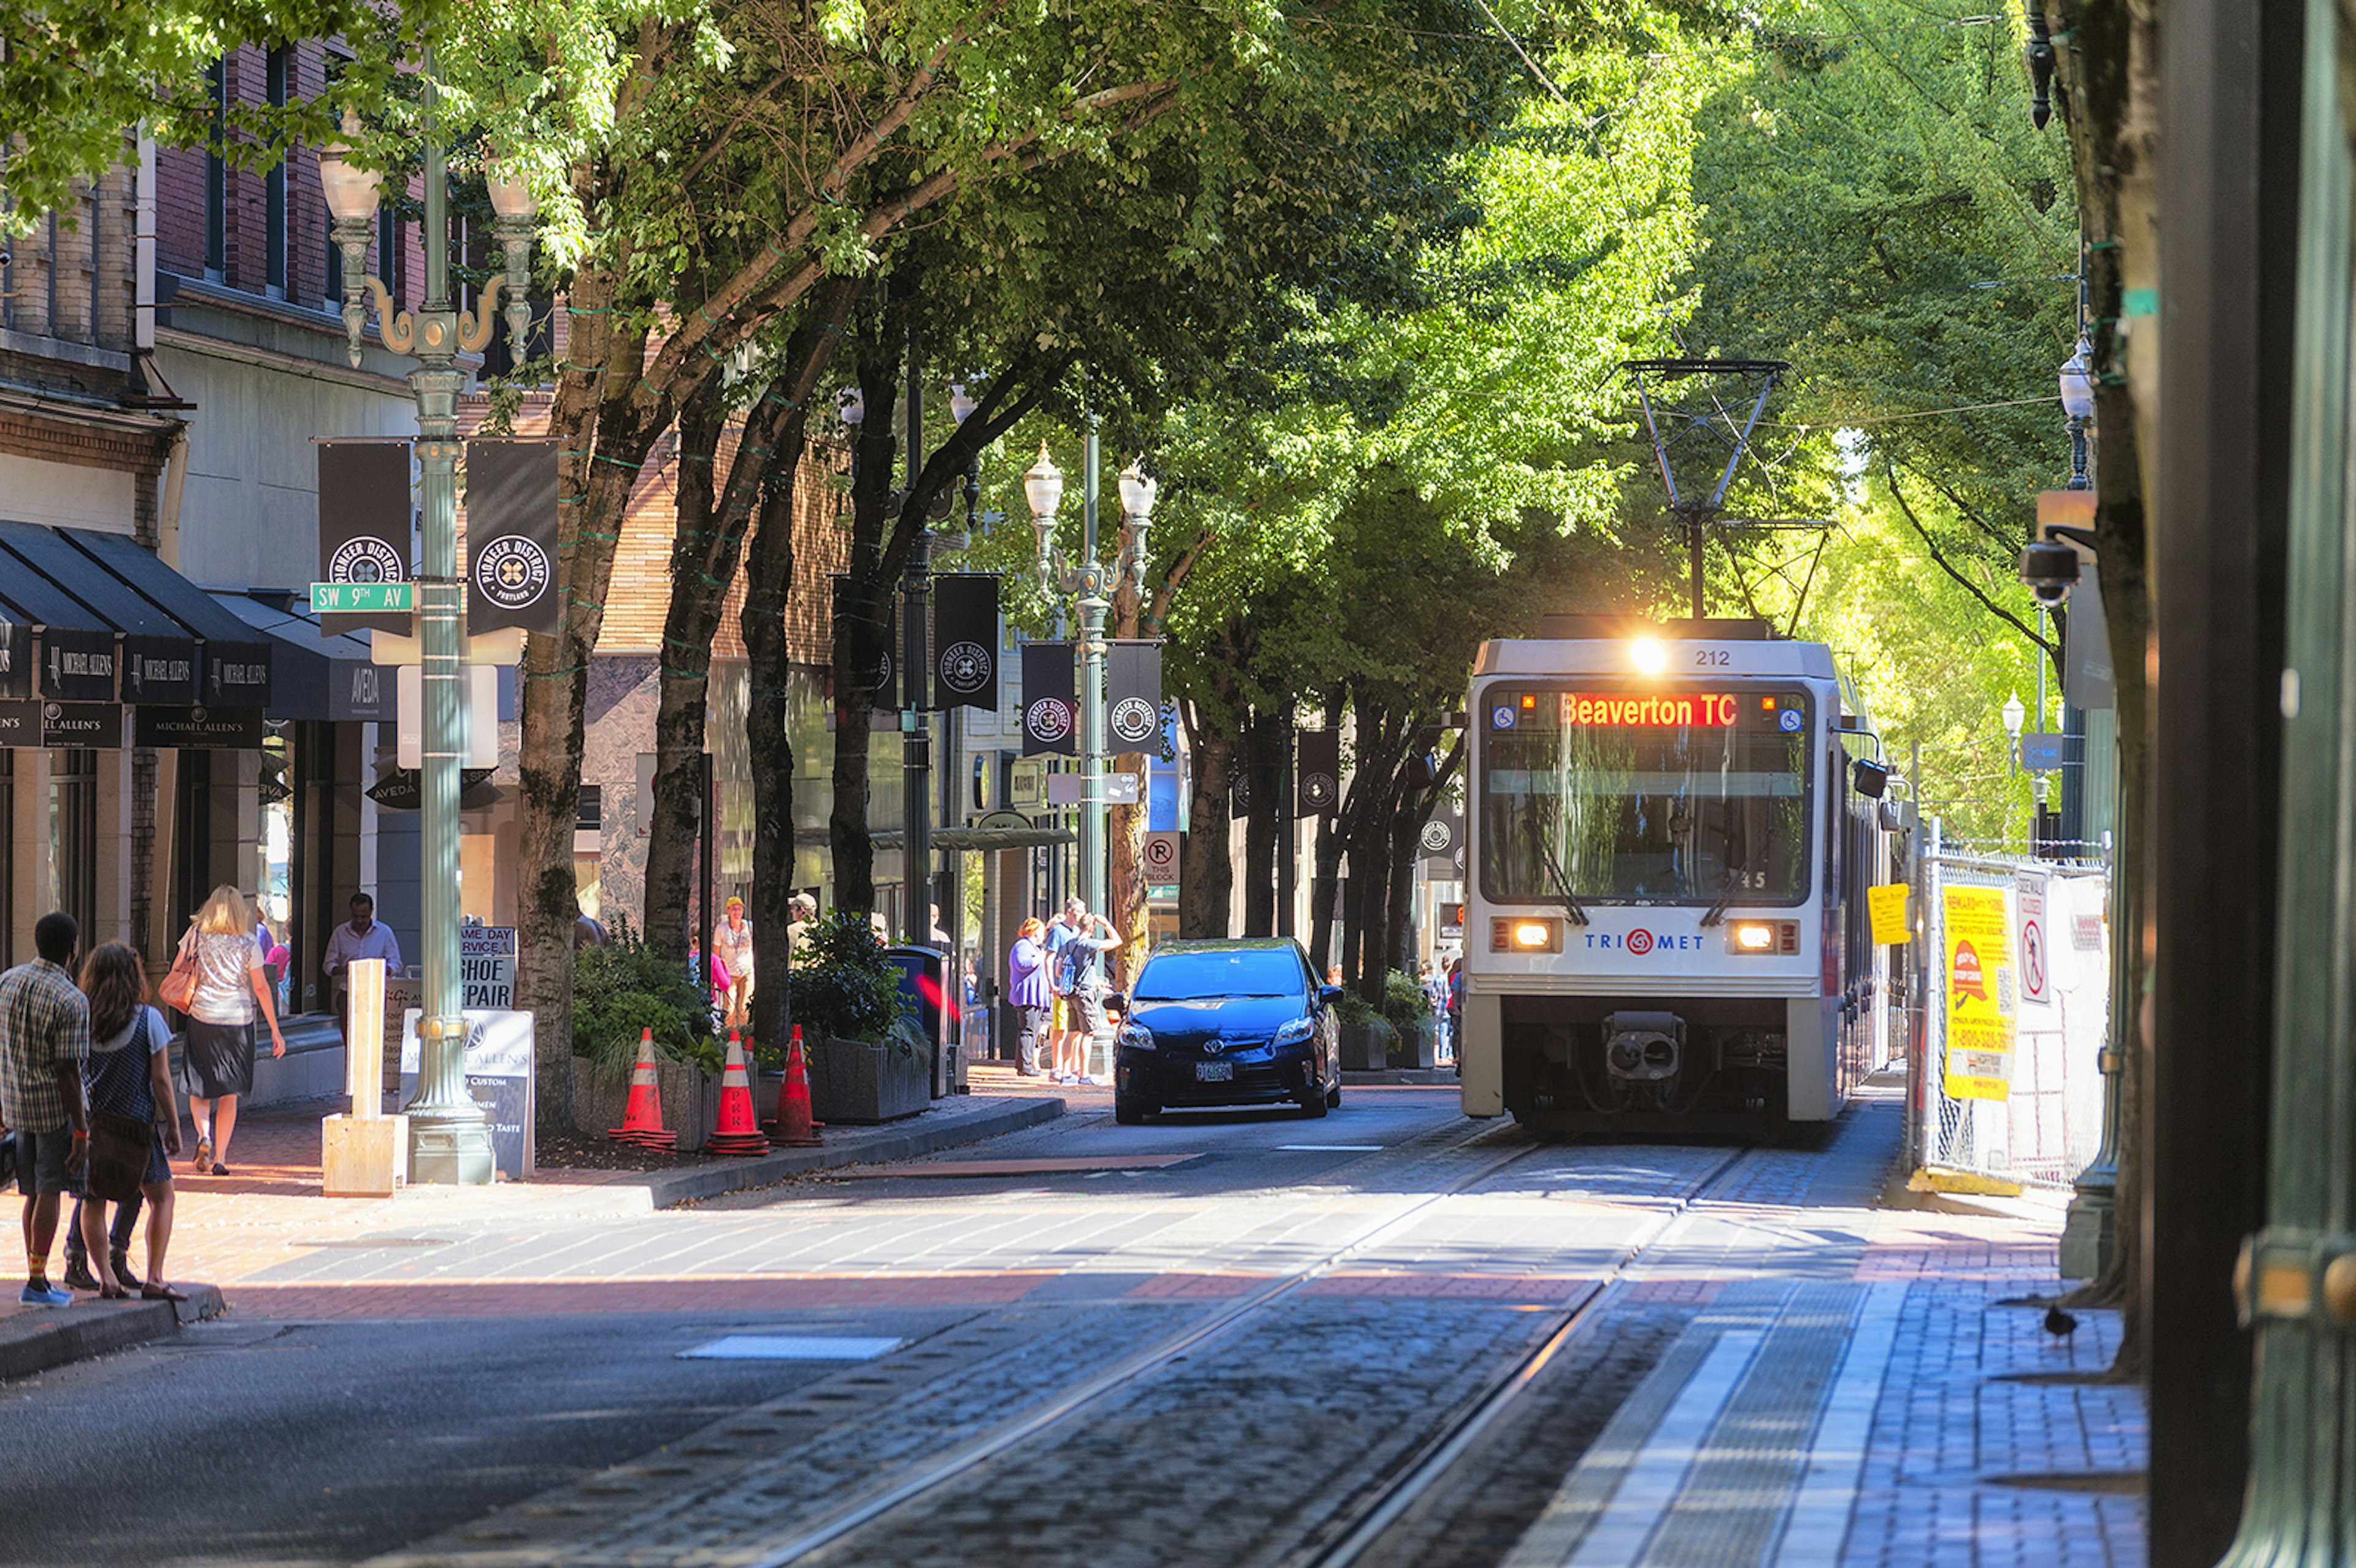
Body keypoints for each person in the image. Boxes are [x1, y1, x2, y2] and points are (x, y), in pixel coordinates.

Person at [61, 944, 182, 1302]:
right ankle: (155, 1276)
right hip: (138, 1129)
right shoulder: (149, 1020)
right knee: (162, 1197)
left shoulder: (82, 1021)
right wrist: (173, 1124)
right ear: (133, 978)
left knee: (92, 1200)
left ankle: (107, 1279)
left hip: (95, 1128)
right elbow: (161, 1080)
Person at [0, 912, 91, 1307]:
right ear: (72, 949)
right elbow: (68, 1070)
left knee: (32, 1191)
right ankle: (37, 1281)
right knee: (50, 1188)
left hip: (16, 1104)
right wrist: (82, 1130)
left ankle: (35, 1273)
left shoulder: (7, 982)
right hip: (53, 1110)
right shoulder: (70, 999)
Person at [180, 884, 287, 1177]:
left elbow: (180, 967)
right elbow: (262, 988)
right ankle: (221, 1158)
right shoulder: (249, 943)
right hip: (238, 1021)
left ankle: (204, 1135)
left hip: (202, 1016)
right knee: (230, 1093)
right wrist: (275, 1031)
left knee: (199, 1085)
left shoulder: (196, 936)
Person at [1057, 901, 1122, 1086]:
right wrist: (1107, 924)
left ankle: (1065, 1073)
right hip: (1085, 994)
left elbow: (1059, 970)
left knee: (1072, 1032)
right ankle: (1084, 1074)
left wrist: (1095, 982)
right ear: (1092, 927)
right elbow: (1117, 942)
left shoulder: (1069, 944)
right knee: (1088, 1033)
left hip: (1071, 993)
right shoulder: (1089, 944)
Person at [323, 893, 403, 1031]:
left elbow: (396, 964)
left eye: (364, 917)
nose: (359, 921)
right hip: (348, 993)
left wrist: (378, 969)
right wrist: (345, 969)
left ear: (371, 912)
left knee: (374, 1034)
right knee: (350, 1037)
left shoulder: (384, 932)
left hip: (375, 993)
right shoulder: (340, 933)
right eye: (356, 916)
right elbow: (328, 966)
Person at [1007, 918, 1053, 1078]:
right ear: (1034, 932)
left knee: (1031, 1031)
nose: (1043, 936)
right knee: (1028, 1031)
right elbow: (1022, 964)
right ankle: (1025, 1065)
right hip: (1027, 997)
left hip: (1035, 997)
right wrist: (1039, 958)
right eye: (1041, 932)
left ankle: (1024, 1064)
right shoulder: (1023, 946)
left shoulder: (1032, 947)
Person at [1042, 901, 1082, 1081]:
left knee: (1075, 1028)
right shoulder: (1058, 931)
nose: (1081, 915)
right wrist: (1052, 984)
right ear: (1069, 912)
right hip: (1062, 987)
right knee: (1060, 1028)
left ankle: (1073, 1066)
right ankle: (1056, 1067)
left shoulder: (1077, 932)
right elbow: (1049, 959)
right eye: (1078, 912)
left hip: (1076, 988)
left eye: (1083, 912)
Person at [714, 897, 755, 1033]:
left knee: (744, 1007)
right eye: (734, 909)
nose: (737, 912)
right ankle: (728, 1037)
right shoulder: (721, 929)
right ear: (728, 911)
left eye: (740, 909)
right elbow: (716, 953)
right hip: (730, 973)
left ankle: (745, 1035)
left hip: (747, 972)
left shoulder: (750, 927)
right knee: (729, 1009)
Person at [786, 894, 817, 959]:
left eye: (793, 908)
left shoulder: (792, 930)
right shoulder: (820, 930)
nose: (791, 911)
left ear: (801, 910)